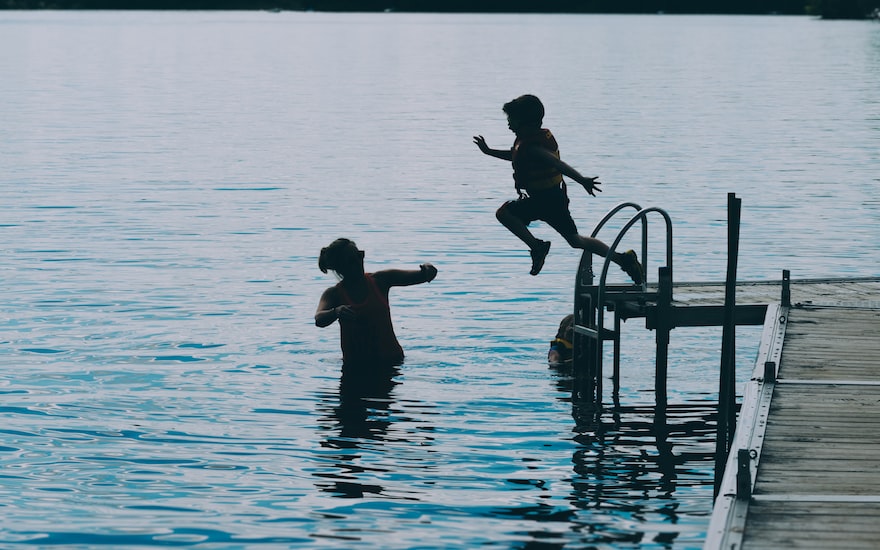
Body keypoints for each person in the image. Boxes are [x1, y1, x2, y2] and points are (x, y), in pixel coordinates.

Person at [473, 94, 643, 283]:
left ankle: (537, 247)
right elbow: (515, 155)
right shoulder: (527, 145)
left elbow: (557, 164)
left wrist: (582, 180)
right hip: (553, 200)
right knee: (576, 241)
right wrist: (489, 151)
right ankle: (623, 259)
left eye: (511, 119)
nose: (508, 124)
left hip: (546, 200)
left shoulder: (534, 147)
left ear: (525, 122)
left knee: (504, 213)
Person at [314, 238, 438, 368]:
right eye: (351, 260)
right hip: (356, 367)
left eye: (360, 255)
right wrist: (336, 312)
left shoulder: (381, 280)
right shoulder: (334, 294)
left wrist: (428, 268)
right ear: (340, 266)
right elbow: (319, 319)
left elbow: (422, 276)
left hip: (391, 362)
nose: (359, 261)